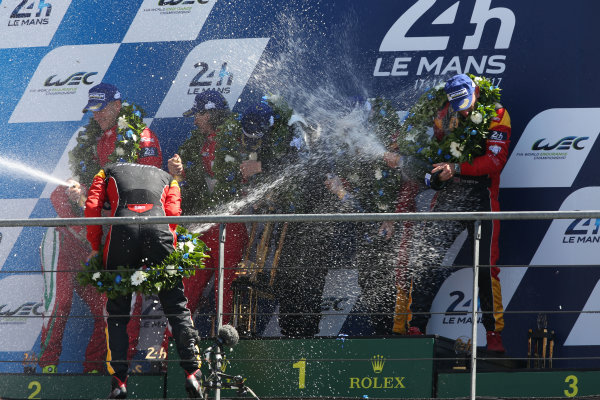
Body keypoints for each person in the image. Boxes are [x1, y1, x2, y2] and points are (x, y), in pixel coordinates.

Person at [39, 82, 176, 373]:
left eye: (100, 110)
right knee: (108, 308)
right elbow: (81, 189)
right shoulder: (97, 139)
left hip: (133, 232)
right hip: (104, 236)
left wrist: (91, 196)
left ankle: (127, 369)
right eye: (92, 111)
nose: (96, 116)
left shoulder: (142, 136)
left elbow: (146, 190)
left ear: (116, 106)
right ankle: (97, 369)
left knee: (125, 306)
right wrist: (79, 192)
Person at [386, 74, 511, 352]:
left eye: (467, 104)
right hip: (450, 196)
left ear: (476, 91)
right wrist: (433, 175)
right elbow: (437, 153)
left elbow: (494, 161)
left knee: (487, 267)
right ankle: (416, 326)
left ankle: (494, 337)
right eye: (459, 106)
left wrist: (456, 169)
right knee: (426, 257)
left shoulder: (498, 114)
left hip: (483, 197)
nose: (464, 111)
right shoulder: (443, 113)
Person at [84, 162, 203, 399]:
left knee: (117, 312)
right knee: (176, 306)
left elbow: (92, 207)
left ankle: (119, 381)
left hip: (121, 232)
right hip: (158, 231)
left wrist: (96, 246)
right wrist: (164, 247)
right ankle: (193, 372)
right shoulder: (169, 177)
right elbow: (173, 214)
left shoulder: (106, 171)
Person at [171, 90, 249, 329]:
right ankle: (178, 341)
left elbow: (234, 177)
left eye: (199, 115)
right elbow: (198, 182)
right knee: (189, 284)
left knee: (224, 289)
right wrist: (178, 168)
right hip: (203, 223)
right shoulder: (199, 141)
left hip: (230, 224)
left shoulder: (238, 137)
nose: (195, 120)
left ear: (212, 114)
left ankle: (223, 342)